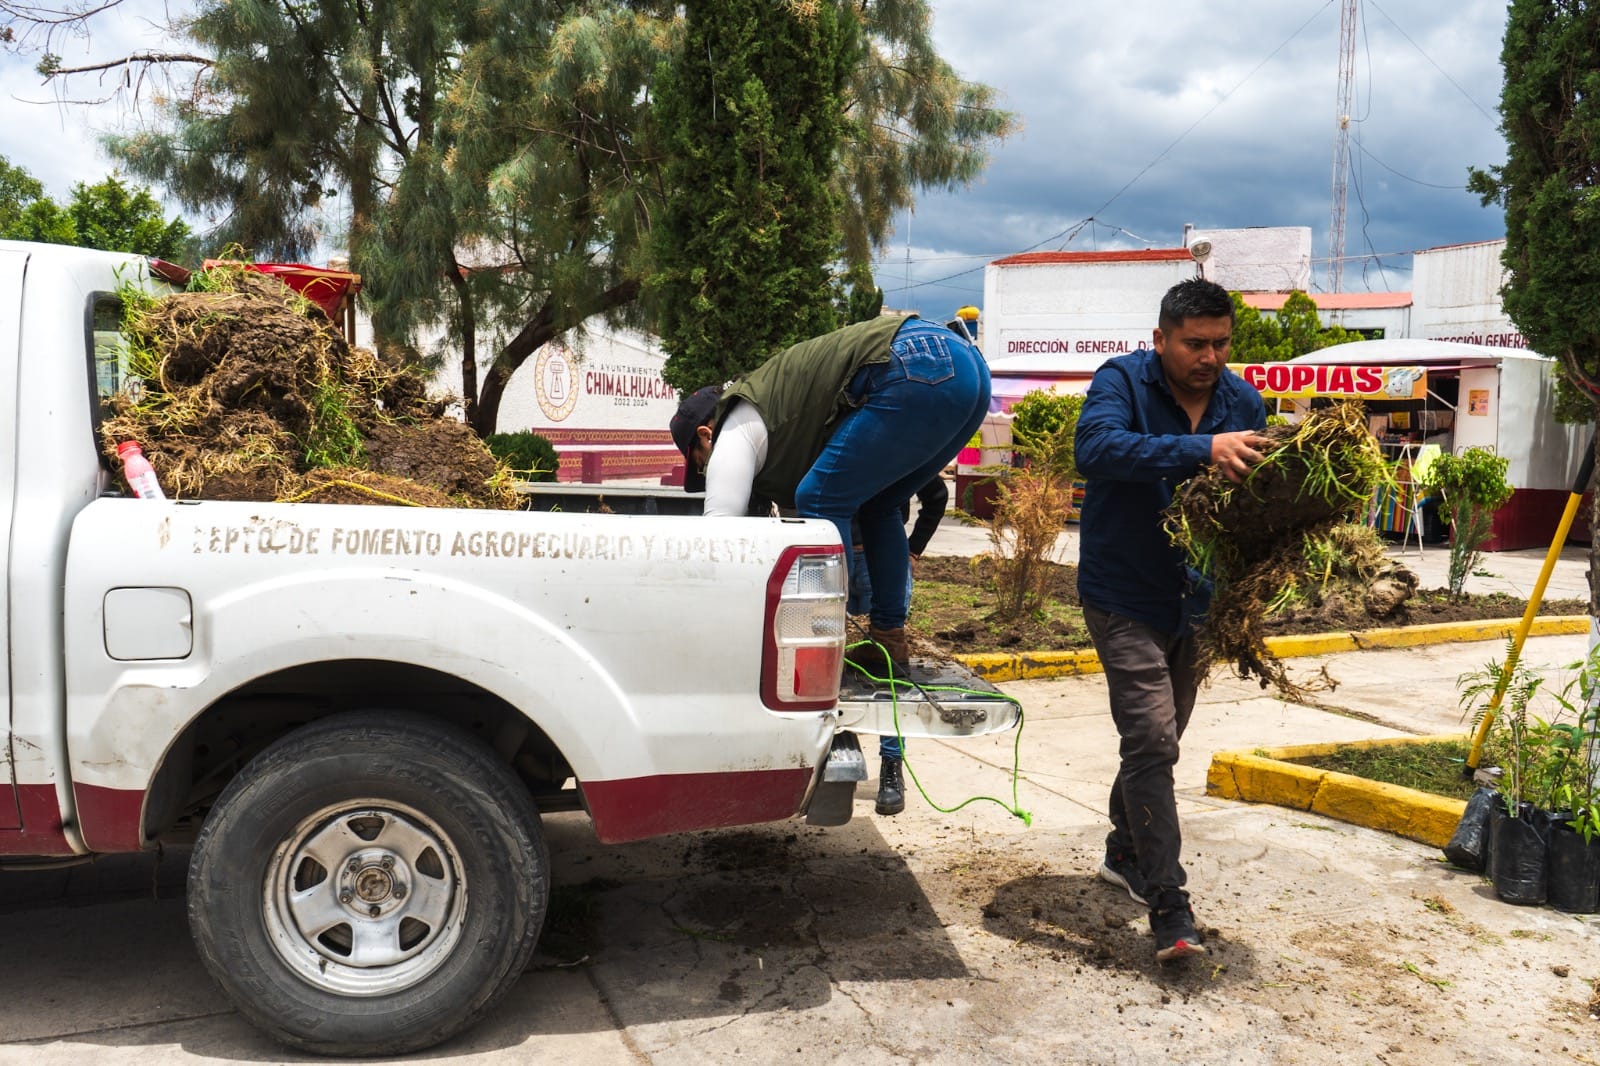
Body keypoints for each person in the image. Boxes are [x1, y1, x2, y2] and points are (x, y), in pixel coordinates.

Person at [1073, 277, 1268, 963]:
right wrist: (1200, 450)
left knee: (1157, 739)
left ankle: (1125, 849)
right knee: (1154, 739)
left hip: (1195, 601)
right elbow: (1095, 451)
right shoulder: (1121, 383)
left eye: (1220, 343)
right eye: (1195, 344)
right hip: (1121, 594)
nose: (1209, 357)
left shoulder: (1245, 403)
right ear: (1161, 340)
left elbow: (1251, 506)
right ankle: (1169, 905)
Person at [670, 315, 990, 675]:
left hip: (915, 363)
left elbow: (720, 539)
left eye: (700, 464)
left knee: (820, 499)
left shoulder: (733, 428)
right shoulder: (774, 408)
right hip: (971, 371)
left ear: (704, 434)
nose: (705, 472)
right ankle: (888, 640)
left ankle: (822, 646)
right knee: (879, 505)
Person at [845, 474, 950, 816]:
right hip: (833, 557)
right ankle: (834, 761)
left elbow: (936, 494)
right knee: (822, 665)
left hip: (883, 562)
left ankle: (892, 768)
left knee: (890, 672)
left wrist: (914, 549)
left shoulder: (891, 443)